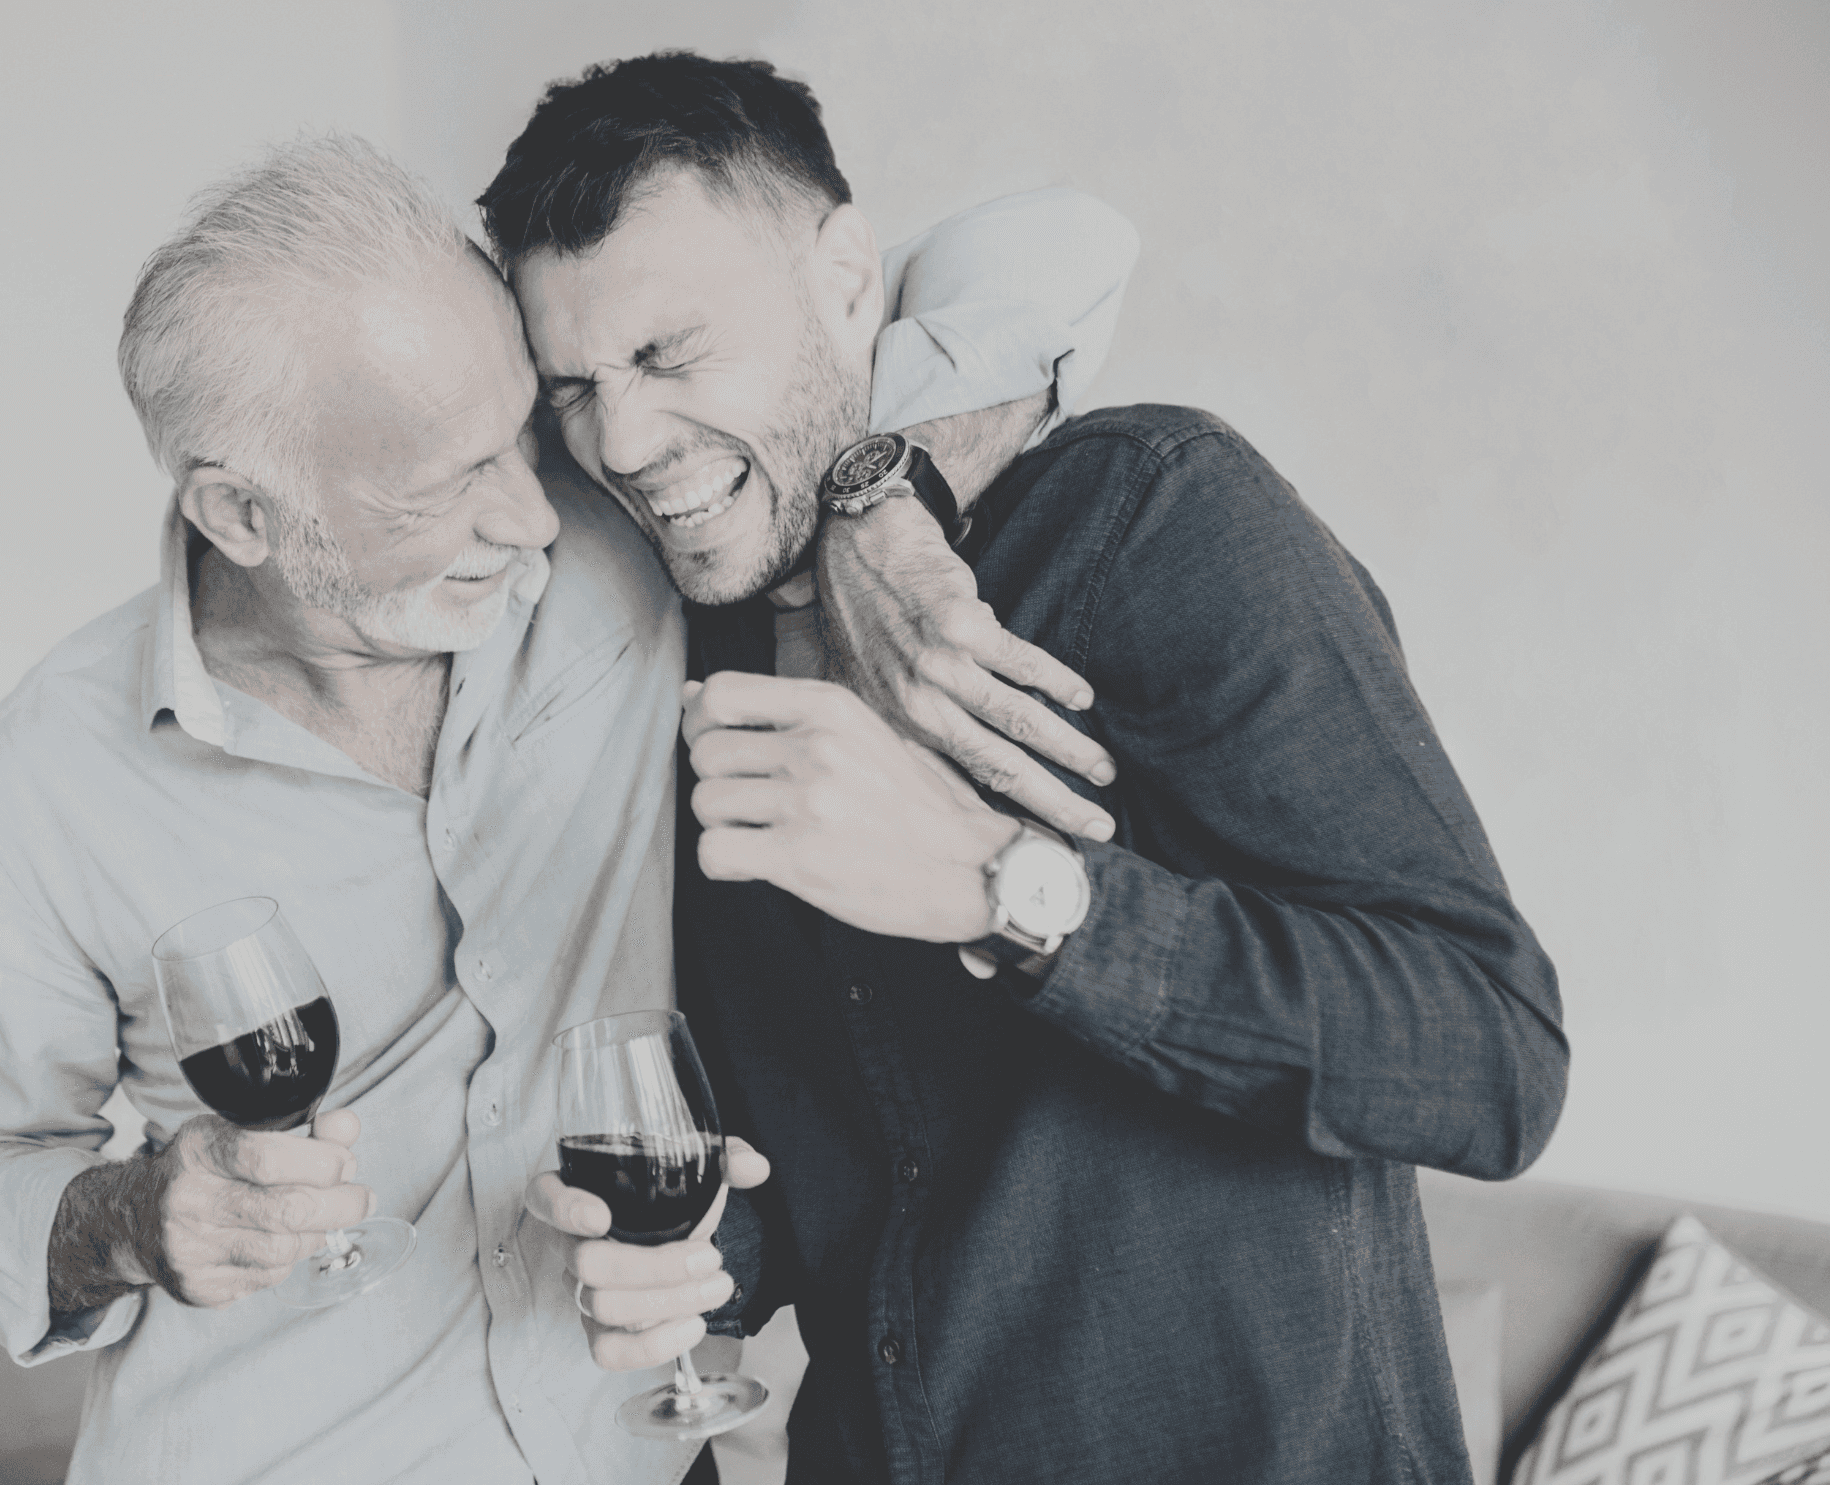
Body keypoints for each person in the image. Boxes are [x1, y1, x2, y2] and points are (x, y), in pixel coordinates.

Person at [0, 130, 1140, 1483]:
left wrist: (884, 505)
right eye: (446, 488)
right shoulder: (42, 780)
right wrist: (134, 1217)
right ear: (242, 515)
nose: (533, 518)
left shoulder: (621, 516)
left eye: (519, 440)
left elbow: (1054, 241)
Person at [487, 52, 1570, 1483]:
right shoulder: (680, 663)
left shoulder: (1154, 522)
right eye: (574, 386)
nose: (621, 439)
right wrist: (699, 1260)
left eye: (670, 354)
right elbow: (835, 1180)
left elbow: (1490, 1059)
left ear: (851, 281)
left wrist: (1006, 889)